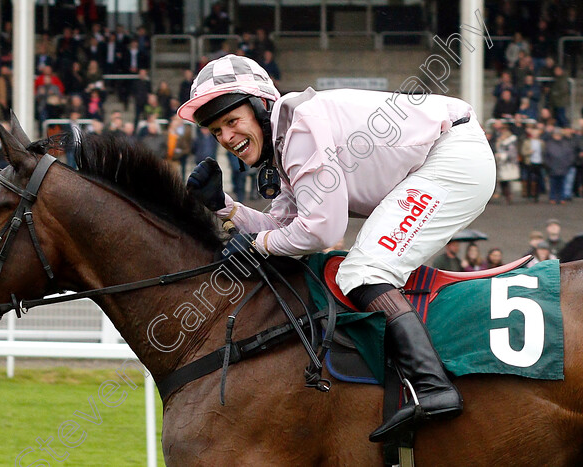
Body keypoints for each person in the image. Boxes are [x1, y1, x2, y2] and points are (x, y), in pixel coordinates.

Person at [178, 54, 496, 442]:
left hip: (452, 158)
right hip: (440, 158)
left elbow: (319, 231)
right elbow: (286, 228)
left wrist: (256, 244)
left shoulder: (301, 130)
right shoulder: (285, 138)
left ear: (261, 107)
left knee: (364, 272)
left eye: (232, 121)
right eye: (216, 131)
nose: (226, 137)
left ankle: (433, 387)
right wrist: (227, 208)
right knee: (361, 269)